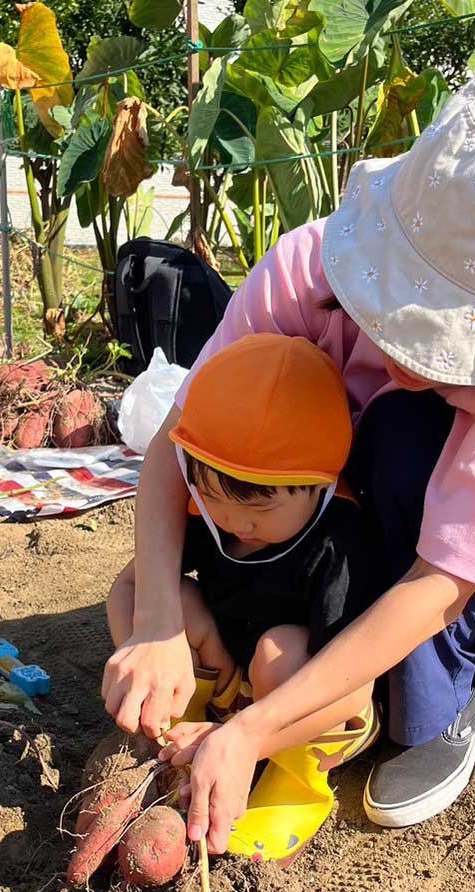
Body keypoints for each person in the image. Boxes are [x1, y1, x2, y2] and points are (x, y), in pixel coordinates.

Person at [102, 68, 475, 853]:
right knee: (277, 635)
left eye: (457, 341)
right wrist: (155, 620)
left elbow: (442, 584)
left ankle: (448, 702)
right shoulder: (301, 273)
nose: (420, 359)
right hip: (328, 548)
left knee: (402, 435)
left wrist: (253, 731)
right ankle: (335, 674)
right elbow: (178, 445)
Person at [107, 334, 380, 864]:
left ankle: (289, 782)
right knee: (175, 604)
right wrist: (140, 654)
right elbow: (127, 589)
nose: (234, 523)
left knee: (282, 651)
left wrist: (243, 734)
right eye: (212, 497)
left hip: (309, 701)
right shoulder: (207, 511)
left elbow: (349, 693)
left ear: (321, 484)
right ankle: (177, 735)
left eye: (259, 511)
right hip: (238, 677)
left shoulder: (339, 544)